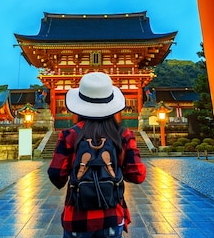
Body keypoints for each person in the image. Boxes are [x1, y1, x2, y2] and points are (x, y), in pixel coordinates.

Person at [48, 72, 147, 238]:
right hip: (112, 216)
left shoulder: (69, 135)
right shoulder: (123, 135)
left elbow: (55, 174)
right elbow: (138, 175)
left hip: (76, 218)